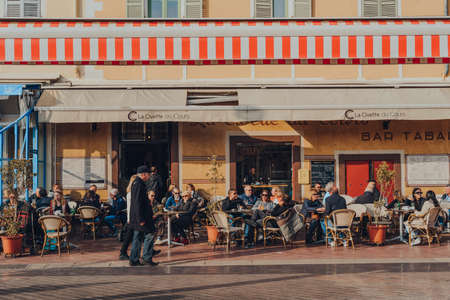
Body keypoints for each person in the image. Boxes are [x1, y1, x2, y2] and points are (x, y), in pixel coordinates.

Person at [129, 166, 159, 266]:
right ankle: (146, 257)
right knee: (149, 235)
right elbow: (137, 202)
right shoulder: (138, 184)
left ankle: (134, 259)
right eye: (148, 174)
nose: (149, 176)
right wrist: (140, 219)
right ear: (143, 174)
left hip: (139, 217)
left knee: (137, 237)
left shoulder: (137, 183)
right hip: (142, 217)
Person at [119, 175, 137, 261]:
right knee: (129, 236)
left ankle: (123, 252)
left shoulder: (131, 192)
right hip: (132, 218)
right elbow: (130, 207)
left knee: (130, 236)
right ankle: (123, 252)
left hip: (132, 218)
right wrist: (129, 218)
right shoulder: (131, 194)